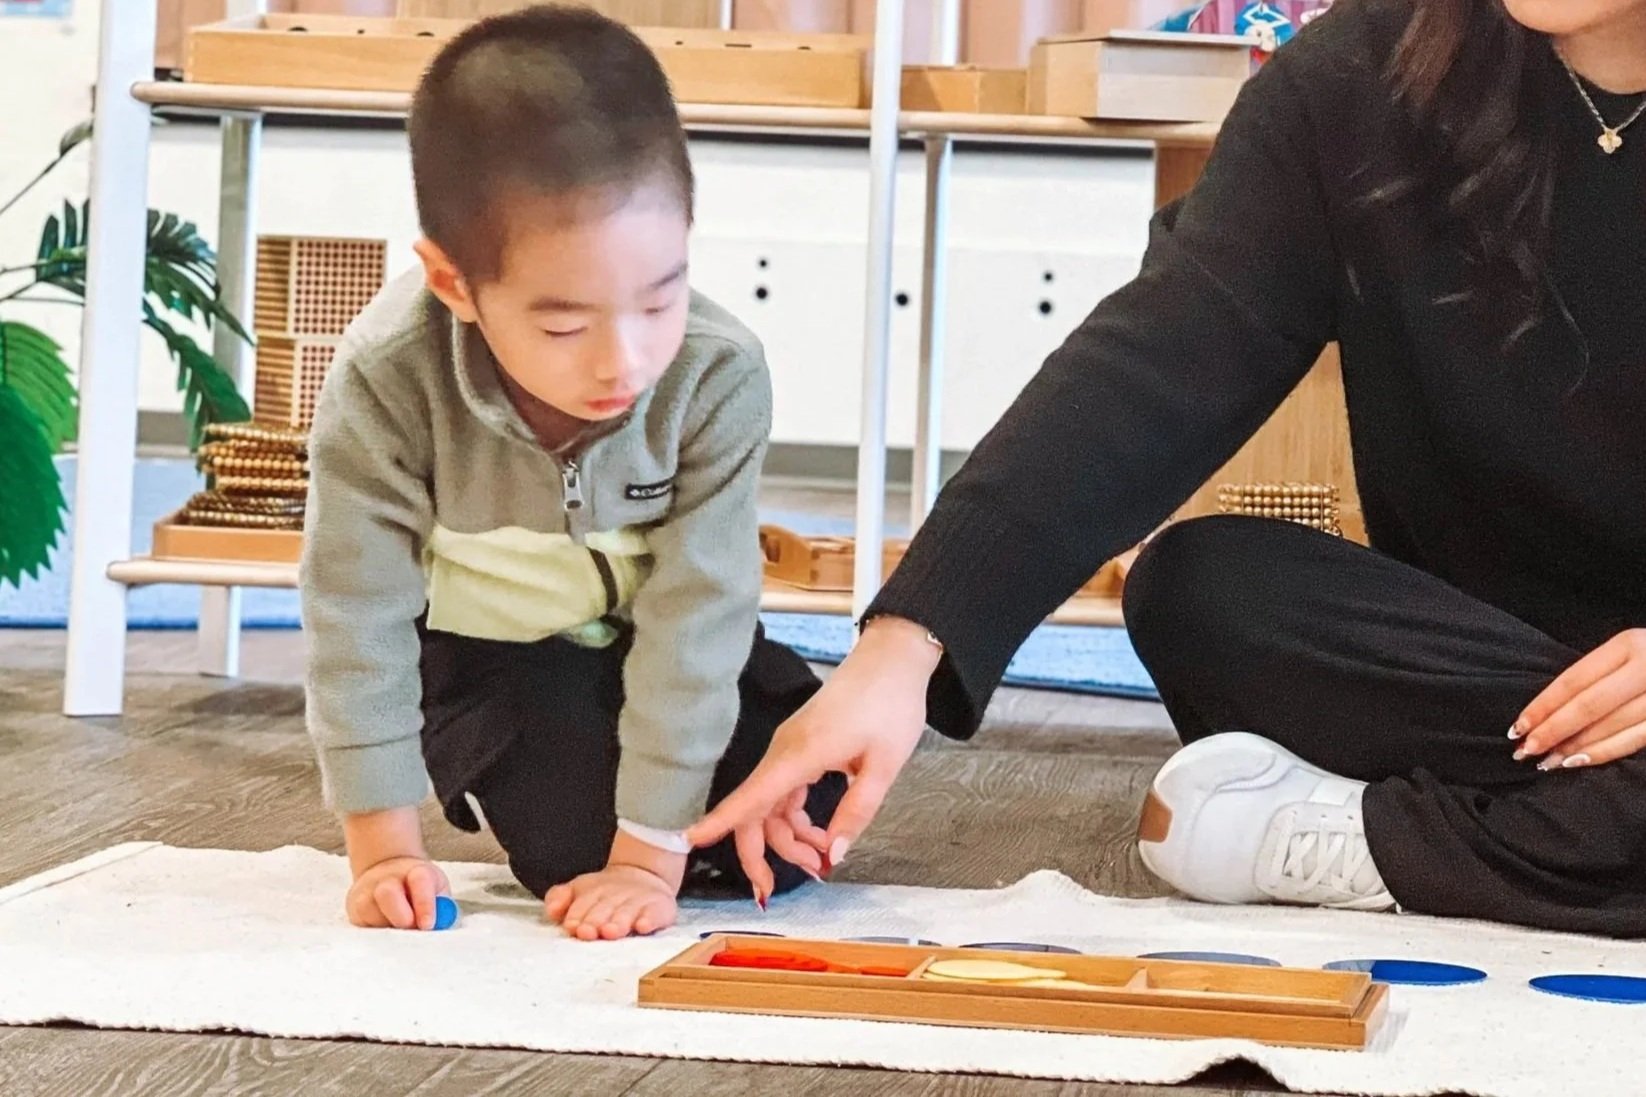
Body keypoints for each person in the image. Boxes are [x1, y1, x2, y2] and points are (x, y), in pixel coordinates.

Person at [687, 0, 1646, 938]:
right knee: (1201, 591)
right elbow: (1155, 367)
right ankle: (1580, 836)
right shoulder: (1360, 76)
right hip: (1482, 681)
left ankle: (1377, 845)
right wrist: (899, 654)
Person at [300, 7, 842, 940]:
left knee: (810, 789)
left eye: (660, 299)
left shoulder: (717, 369)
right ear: (454, 284)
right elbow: (357, 613)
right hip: (492, 661)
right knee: (572, 846)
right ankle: (634, 826)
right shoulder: (386, 379)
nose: (623, 362)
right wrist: (384, 847)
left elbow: (700, 609)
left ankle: (675, 827)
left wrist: (650, 857)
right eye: (563, 326)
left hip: (654, 641)